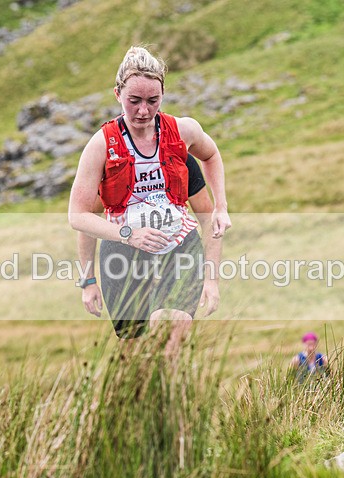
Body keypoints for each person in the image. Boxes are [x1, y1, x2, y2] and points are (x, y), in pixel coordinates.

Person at [68, 46, 230, 357]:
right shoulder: (101, 145)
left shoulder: (183, 130)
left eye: (153, 101)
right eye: (135, 101)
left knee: (169, 332)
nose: (144, 110)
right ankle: (143, 402)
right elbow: (78, 217)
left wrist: (221, 206)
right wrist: (89, 279)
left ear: (163, 94)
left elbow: (212, 155)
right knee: (134, 353)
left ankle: (172, 401)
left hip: (180, 246)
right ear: (118, 94)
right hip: (123, 251)